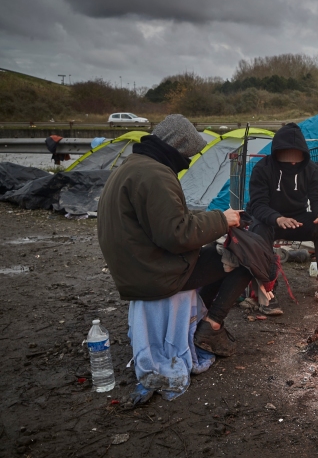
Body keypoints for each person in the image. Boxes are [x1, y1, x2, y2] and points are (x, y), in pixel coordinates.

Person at [98, 114, 248, 357]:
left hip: (136, 269)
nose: (187, 161)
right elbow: (177, 235)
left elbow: (163, 221)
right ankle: (211, 326)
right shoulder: (156, 175)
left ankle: (203, 319)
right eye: (188, 155)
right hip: (156, 275)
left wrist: (208, 221)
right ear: (179, 145)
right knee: (244, 256)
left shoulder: (133, 165)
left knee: (217, 253)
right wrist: (223, 220)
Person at [246, 122, 318, 314]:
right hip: (269, 219)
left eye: (297, 158)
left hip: (297, 219)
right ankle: (266, 291)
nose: (293, 163)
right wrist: (277, 218)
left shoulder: (311, 170)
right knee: (259, 230)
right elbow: (257, 205)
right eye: (288, 157)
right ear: (277, 154)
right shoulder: (262, 169)